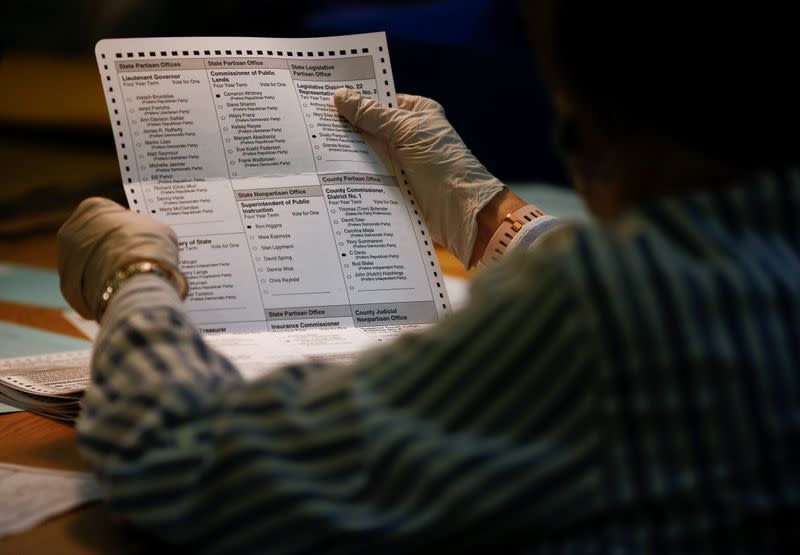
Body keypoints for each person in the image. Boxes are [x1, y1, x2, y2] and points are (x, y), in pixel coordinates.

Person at [57, 1, 800, 553]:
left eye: (574, 126)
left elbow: (190, 471)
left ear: (606, 132)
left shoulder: (605, 304)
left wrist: (138, 276)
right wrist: (491, 214)